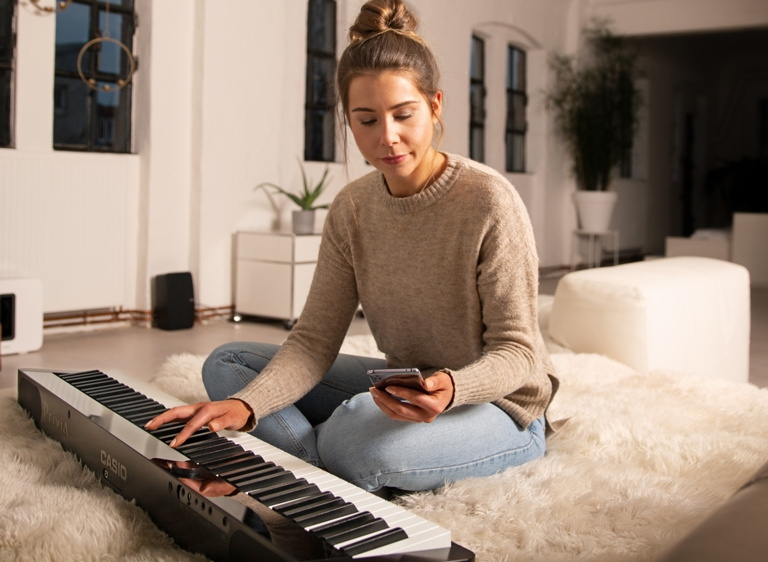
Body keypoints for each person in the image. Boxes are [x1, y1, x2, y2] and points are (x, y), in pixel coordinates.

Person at [146, 0, 559, 494]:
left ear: (434, 105)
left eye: (404, 114)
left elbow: (520, 354)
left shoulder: (490, 200)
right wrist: (250, 406)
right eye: (366, 120)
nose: (388, 137)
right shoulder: (352, 208)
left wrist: (453, 389)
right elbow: (314, 339)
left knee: (355, 440)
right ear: (348, 119)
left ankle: (298, 463)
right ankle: (302, 471)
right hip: (405, 384)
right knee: (228, 365)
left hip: (500, 407)